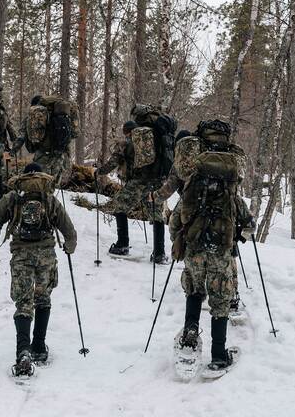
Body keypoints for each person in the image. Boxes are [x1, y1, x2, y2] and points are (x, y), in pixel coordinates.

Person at [170, 118, 252, 374]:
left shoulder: (191, 188)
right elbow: (249, 226)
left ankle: (190, 335)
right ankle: (218, 355)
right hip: (221, 251)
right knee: (220, 300)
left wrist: (178, 240)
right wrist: (238, 235)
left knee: (194, 291)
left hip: (194, 249)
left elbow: (174, 223)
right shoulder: (231, 194)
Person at [0, 163, 78, 376]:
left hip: (21, 255)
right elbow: (69, 230)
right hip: (46, 255)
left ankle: (23, 352)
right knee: (43, 299)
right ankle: (39, 348)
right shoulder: (49, 199)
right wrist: (69, 247)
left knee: (23, 303)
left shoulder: (13, 197)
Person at [95, 120, 168, 262]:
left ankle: (122, 244)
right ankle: (159, 253)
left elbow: (113, 162)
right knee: (156, 215)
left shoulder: (126, 143)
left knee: (119, 207)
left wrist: (99, 171)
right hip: (156, 182)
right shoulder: (153, 141)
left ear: (126, 132)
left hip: (138, 182)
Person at [12, 94, 78, 186]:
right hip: (60, 154)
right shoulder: (61, 115)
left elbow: (22, 136)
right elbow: (73, 134)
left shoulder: (36, 116)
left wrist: (13, 150)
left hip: (43, 153)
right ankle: (51, 199)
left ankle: (43, 199)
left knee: (41, 182)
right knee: (54, 184)